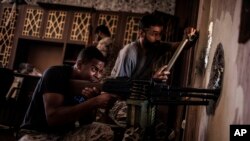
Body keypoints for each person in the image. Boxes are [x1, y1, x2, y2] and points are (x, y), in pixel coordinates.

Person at [109, 12, 197, 140]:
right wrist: (152, 80)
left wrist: (189, 36)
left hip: (139, 99)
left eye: (160, 34)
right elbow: (120, 89)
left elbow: (180, 46)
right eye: (154, 34)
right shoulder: (129, 53)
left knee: (165, 134)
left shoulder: (155, 46)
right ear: (141, 33)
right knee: (139, 125)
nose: (158, 38)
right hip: (118, 102)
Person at [18, 46, 117, 141]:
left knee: (104, 131)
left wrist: (91, 102)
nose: (98, 76)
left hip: (63, 134)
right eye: (94, 69)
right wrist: (94, 102)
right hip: (36, 134)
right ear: (79, 65)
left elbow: (85, 122)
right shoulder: (55, 73)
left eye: (100, 72)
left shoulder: (89, 86)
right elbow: (53, 118)